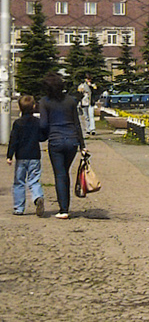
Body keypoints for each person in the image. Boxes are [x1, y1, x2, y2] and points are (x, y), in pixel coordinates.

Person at [38, 73, 86, 219]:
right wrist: (82, 145)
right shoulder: (70, 101)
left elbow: (43, 124)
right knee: (66, 172)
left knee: (60, 174)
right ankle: (66, 206)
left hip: (56, 140)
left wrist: (42, 136)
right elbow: (77, 123)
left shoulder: (44, 102)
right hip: (72, 140)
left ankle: (63, 209)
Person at [7, 94, 45, 217]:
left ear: (20, 108)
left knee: (19, 182)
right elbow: (42, 137)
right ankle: (38, 196)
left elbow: (14, 140)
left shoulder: (18, 123)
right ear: (34, 107)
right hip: (35, 155)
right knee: (34, 180)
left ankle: (19, 208)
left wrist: (9, 155)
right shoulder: (37, 122)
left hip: (21, 156)